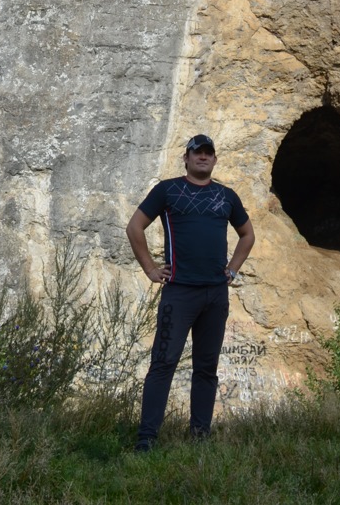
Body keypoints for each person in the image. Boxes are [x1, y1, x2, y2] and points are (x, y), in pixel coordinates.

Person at [126, 133, 255, 449]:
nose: (203, 157)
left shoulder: (227, 196)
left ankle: (200, 437)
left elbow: (247, 234)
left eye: (208, 153)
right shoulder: (168, 190)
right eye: (197, 152)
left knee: (206, 368)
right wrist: (150, 269)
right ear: (186, 157)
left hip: (215, 294)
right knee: (163, 363)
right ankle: (147, 438)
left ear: (214, 159)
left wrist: (233, 268)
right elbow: (134, 227)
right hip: (179, 293)